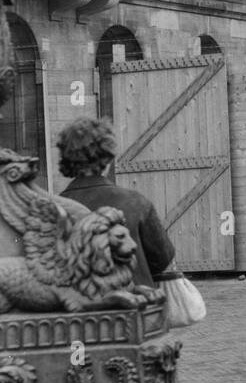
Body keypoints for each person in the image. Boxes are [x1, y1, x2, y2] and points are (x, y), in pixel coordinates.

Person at [57, 117, 175, 288]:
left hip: (76, 308)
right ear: (108, 156)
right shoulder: (136, 202)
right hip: (135, 304)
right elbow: (162, 259)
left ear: (66, 158)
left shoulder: (55, 208)